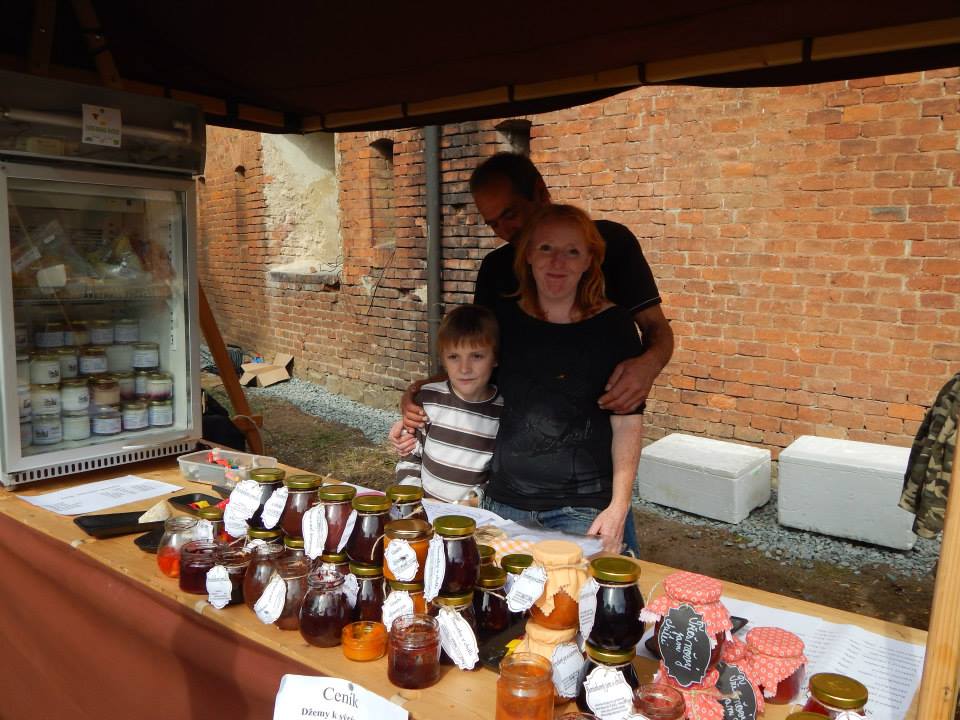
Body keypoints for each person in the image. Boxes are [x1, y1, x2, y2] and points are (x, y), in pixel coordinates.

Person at [483, 203, 645, 553]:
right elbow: (468, 381)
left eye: (572, 251)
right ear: (528, 255)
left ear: (589, 261)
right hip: (505, 503)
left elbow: (627, 422)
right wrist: (417, 404)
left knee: (577, 589)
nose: (558, 262)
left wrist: (619, 507)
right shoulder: (502, 320)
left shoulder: (614, 327)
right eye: (546, 248)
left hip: (581, 509)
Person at [470, 152, 673, 414]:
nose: (504, 231)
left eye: (510, 214)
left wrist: (648, 365)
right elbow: (472, 351)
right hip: (513, 423)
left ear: (540, 192)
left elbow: (656, 326)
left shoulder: (612, 243)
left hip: (599, 422)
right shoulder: (495, 267)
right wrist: (430, 391)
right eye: (493, 224)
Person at [392, 304, 503, 504]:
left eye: (477, 356)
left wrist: (471, 503)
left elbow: (499, 476)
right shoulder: (429, 400)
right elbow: (410, 457)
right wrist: (414, 501)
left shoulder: (503, 411)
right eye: (454, 357)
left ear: (494, 358)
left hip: (470, 517)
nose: (464, 368)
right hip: (422, 511)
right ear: (443, 359)